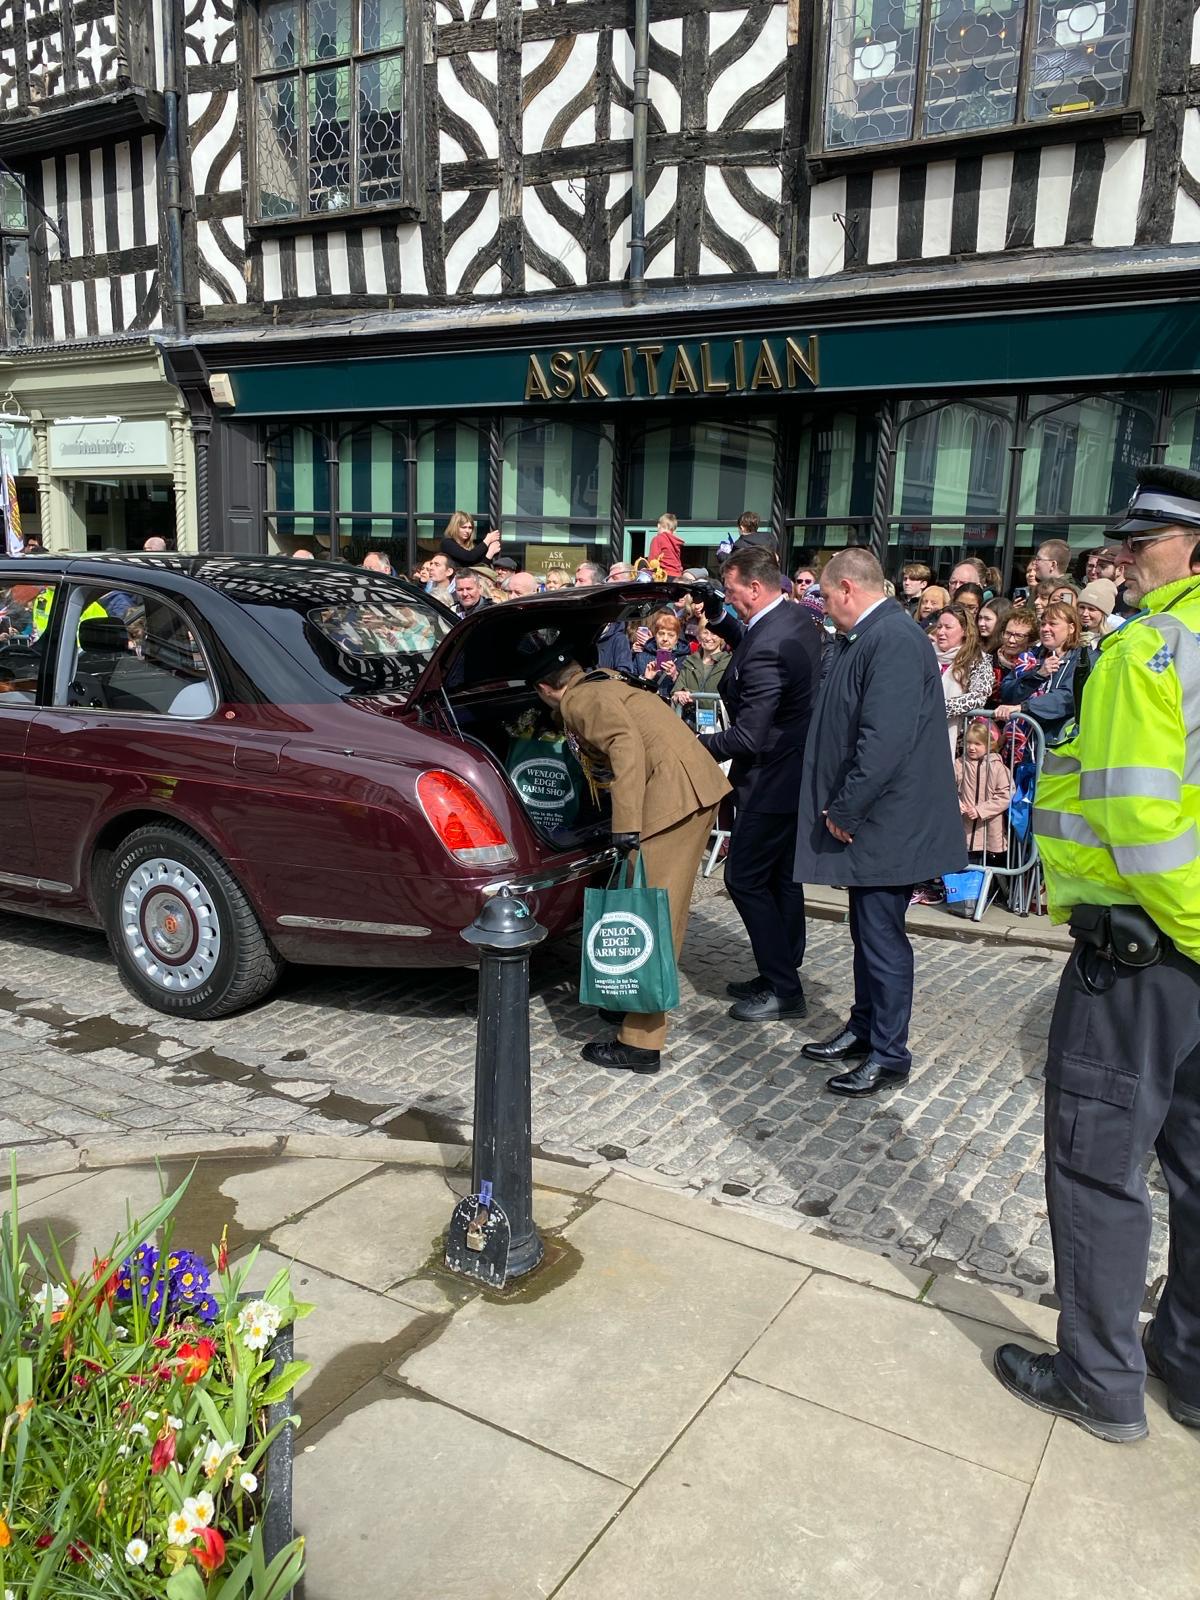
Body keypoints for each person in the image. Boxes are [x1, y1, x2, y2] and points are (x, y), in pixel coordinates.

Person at [993, 464, 1200, 1444]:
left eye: (1146, 540)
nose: (1123, 554)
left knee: (1096, 1167)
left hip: (1144, 956)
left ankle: (1100, 1382)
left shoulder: (1148, 649)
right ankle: (1190, 1366)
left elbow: (1137, 820)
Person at [794, 547, 966, 1095]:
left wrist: (847, 807)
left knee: (882, 937)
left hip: (886, 819)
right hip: (878, 818)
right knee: (866, 932)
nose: (822, 606)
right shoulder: (873, 635)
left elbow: (883, 740)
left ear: (848, 588)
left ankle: (889, 1052)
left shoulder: (890, 638)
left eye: (824, 595)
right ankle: (865, 1028)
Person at [533, 653, 730, 1071]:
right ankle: (630, 1000)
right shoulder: (606, 680)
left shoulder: (580, 701)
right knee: (658, 906)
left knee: (652, 915)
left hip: (673, 799)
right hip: (688, 790)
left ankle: (641, 1041)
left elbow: (624, 743)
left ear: (545, 690)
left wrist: (625, 825)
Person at [699, 544, 822, 1021]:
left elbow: (749, 735)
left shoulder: (771, 643)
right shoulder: (791, 619)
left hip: (771, 780)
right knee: (781, 879)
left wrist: (693, 744)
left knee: (744, 879)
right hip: (792, 773)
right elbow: (751, 636)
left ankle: (785, 989)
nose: (730, 601)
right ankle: (780, 969)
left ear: (755, 586)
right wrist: (721, 619)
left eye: (731, 594)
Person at [994, 601, 1081, 745]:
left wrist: (1023, 708)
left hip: (1057, 742)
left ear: (1071, 628)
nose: (1046, 629)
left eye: (1053, 624)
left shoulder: (1082, 659)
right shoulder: (1030, 657)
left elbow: (1067, 698)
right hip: (1023, 744)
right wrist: (1038, 675)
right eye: (1043, 624)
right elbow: (1007, 692)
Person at [929, 603, 993, 754]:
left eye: (948, 627)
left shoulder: (978, 659)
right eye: (939, 627)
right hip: (923, 731)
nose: (941, 632)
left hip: (959, 740)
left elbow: (979, 696)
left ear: (964, 630)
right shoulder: (925, 654)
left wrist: (940, 708)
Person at [955, 720, 1012, 871]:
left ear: (989, 745)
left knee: (988, 867)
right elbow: (945, 787)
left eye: (977, 744)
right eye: (968, 743)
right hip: (964, 827)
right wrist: (956, 802)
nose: (971, 747)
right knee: (964, 866)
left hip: (989, 829)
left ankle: (991, 893)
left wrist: (981, 810)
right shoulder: (959, 764)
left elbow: (1006, 794)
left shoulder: (998, 767)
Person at [671, 622, 729, 719]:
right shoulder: (690, 661)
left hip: (719, 725)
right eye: (705, 632)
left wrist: (692, 696)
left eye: (714, 633)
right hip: (688, 723)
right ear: (699, 635)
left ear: (722, 636)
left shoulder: (728, 663)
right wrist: (678, 696)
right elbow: (675, 692)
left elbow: (727, 700)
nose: (708, 637)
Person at [634, 609, 690, 699]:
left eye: (671, 635)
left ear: (677, 639)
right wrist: (646, 679)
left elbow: (691, 690)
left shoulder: (686, 660)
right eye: (661, 633)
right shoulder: (640, 656)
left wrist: (675, 676)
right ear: (655, 635)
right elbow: (631, 687)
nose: (665, 638)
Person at [1075, 578, 1118, 648]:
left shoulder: (1112, 640)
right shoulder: (1066, 634)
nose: (1084, 614)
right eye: (1082, 607)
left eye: (1091, 609)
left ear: (1103, 613)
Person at [648, 512, 684, 577]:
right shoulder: (676, 542)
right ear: (674, 530)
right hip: (677, 575)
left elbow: (653, 560)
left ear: (658, 525)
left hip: (664, 575)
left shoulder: (658, 539)